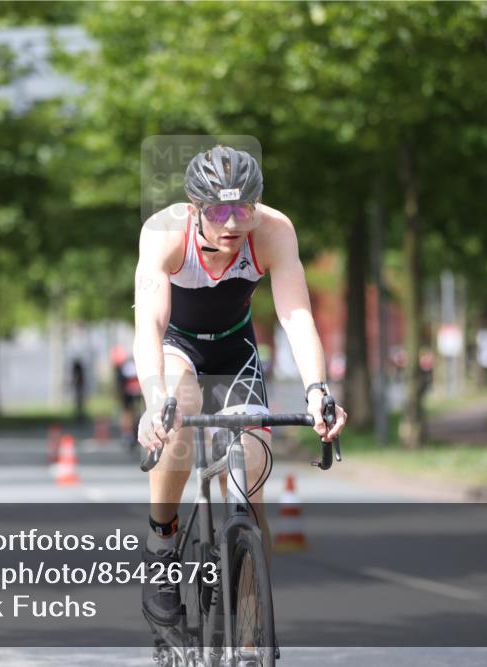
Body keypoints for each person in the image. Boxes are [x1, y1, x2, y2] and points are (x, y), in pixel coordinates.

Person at [133, 145, 348, 624]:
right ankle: (162, 543)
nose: (232, 224)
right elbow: (150, 321)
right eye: (218, 211)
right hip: (178, 345)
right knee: (177, 406)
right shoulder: (165, 232)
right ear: (195, 210)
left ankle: (250, 632)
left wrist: (317, 389)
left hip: (235, 349)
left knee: (251, 479)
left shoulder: (273, 231)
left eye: (243, 209)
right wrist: (153, 400)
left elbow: (296, 317)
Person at [71, 359, 86, 423]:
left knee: (79, 404)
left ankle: (80, 417)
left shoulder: (78, 375)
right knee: (79, 404)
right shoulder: (79, 374)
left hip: (79, 392)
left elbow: (76, 381)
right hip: (79, 392)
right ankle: (79, 417)